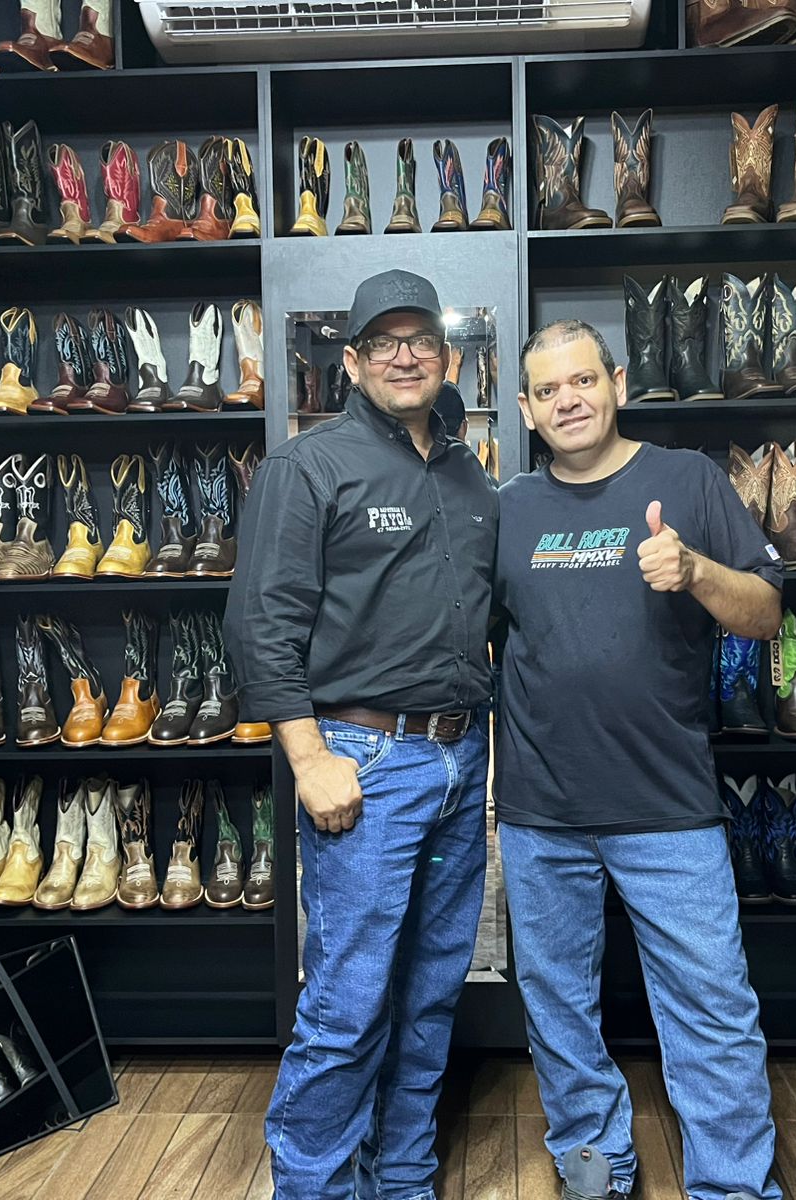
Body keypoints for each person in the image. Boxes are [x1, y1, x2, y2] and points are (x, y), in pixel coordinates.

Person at [493, 318, 785, 1200]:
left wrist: (695, 570)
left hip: (667, 804)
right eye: (548, 390)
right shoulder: (508, 509)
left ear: (617, 383)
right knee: (557, 1010)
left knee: (712, 1010)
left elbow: (766, 612)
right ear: (525, 409)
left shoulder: (686, 479)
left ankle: (733, 1188)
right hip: (541, 810)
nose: (568, 401)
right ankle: (595, 1167)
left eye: (583, 380)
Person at [225, 270, 498, 1200]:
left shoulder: (470, 476)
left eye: (421, 339)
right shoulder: (309, 466)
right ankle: (314, 1189)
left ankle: (401, 1177)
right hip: (364, 763)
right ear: (350, 361)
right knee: (347, 1003)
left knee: (430, 990)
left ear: (448, 357)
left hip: (460, 760)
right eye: (384, 341)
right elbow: (260, 623)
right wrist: (309, 758)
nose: (405, 355)